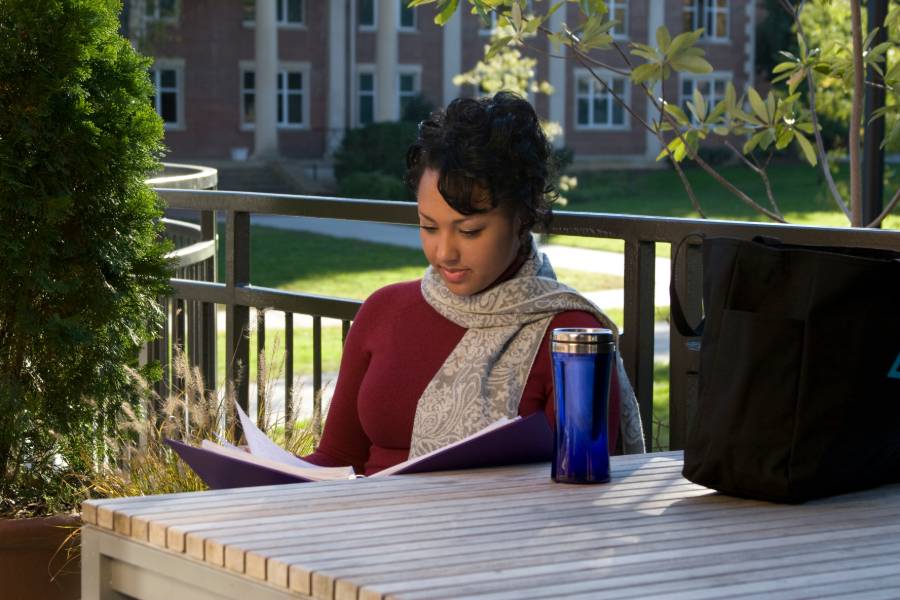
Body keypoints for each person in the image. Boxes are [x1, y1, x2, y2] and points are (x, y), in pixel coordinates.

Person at [304, 92, 643, 475]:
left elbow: (582, 491)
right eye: (428, 227)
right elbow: (336, 458)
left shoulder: (572, 338)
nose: (444, 252)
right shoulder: (383, 311)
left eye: (469, 230)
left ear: (522, 216)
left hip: (496, 531)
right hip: (359, 528)